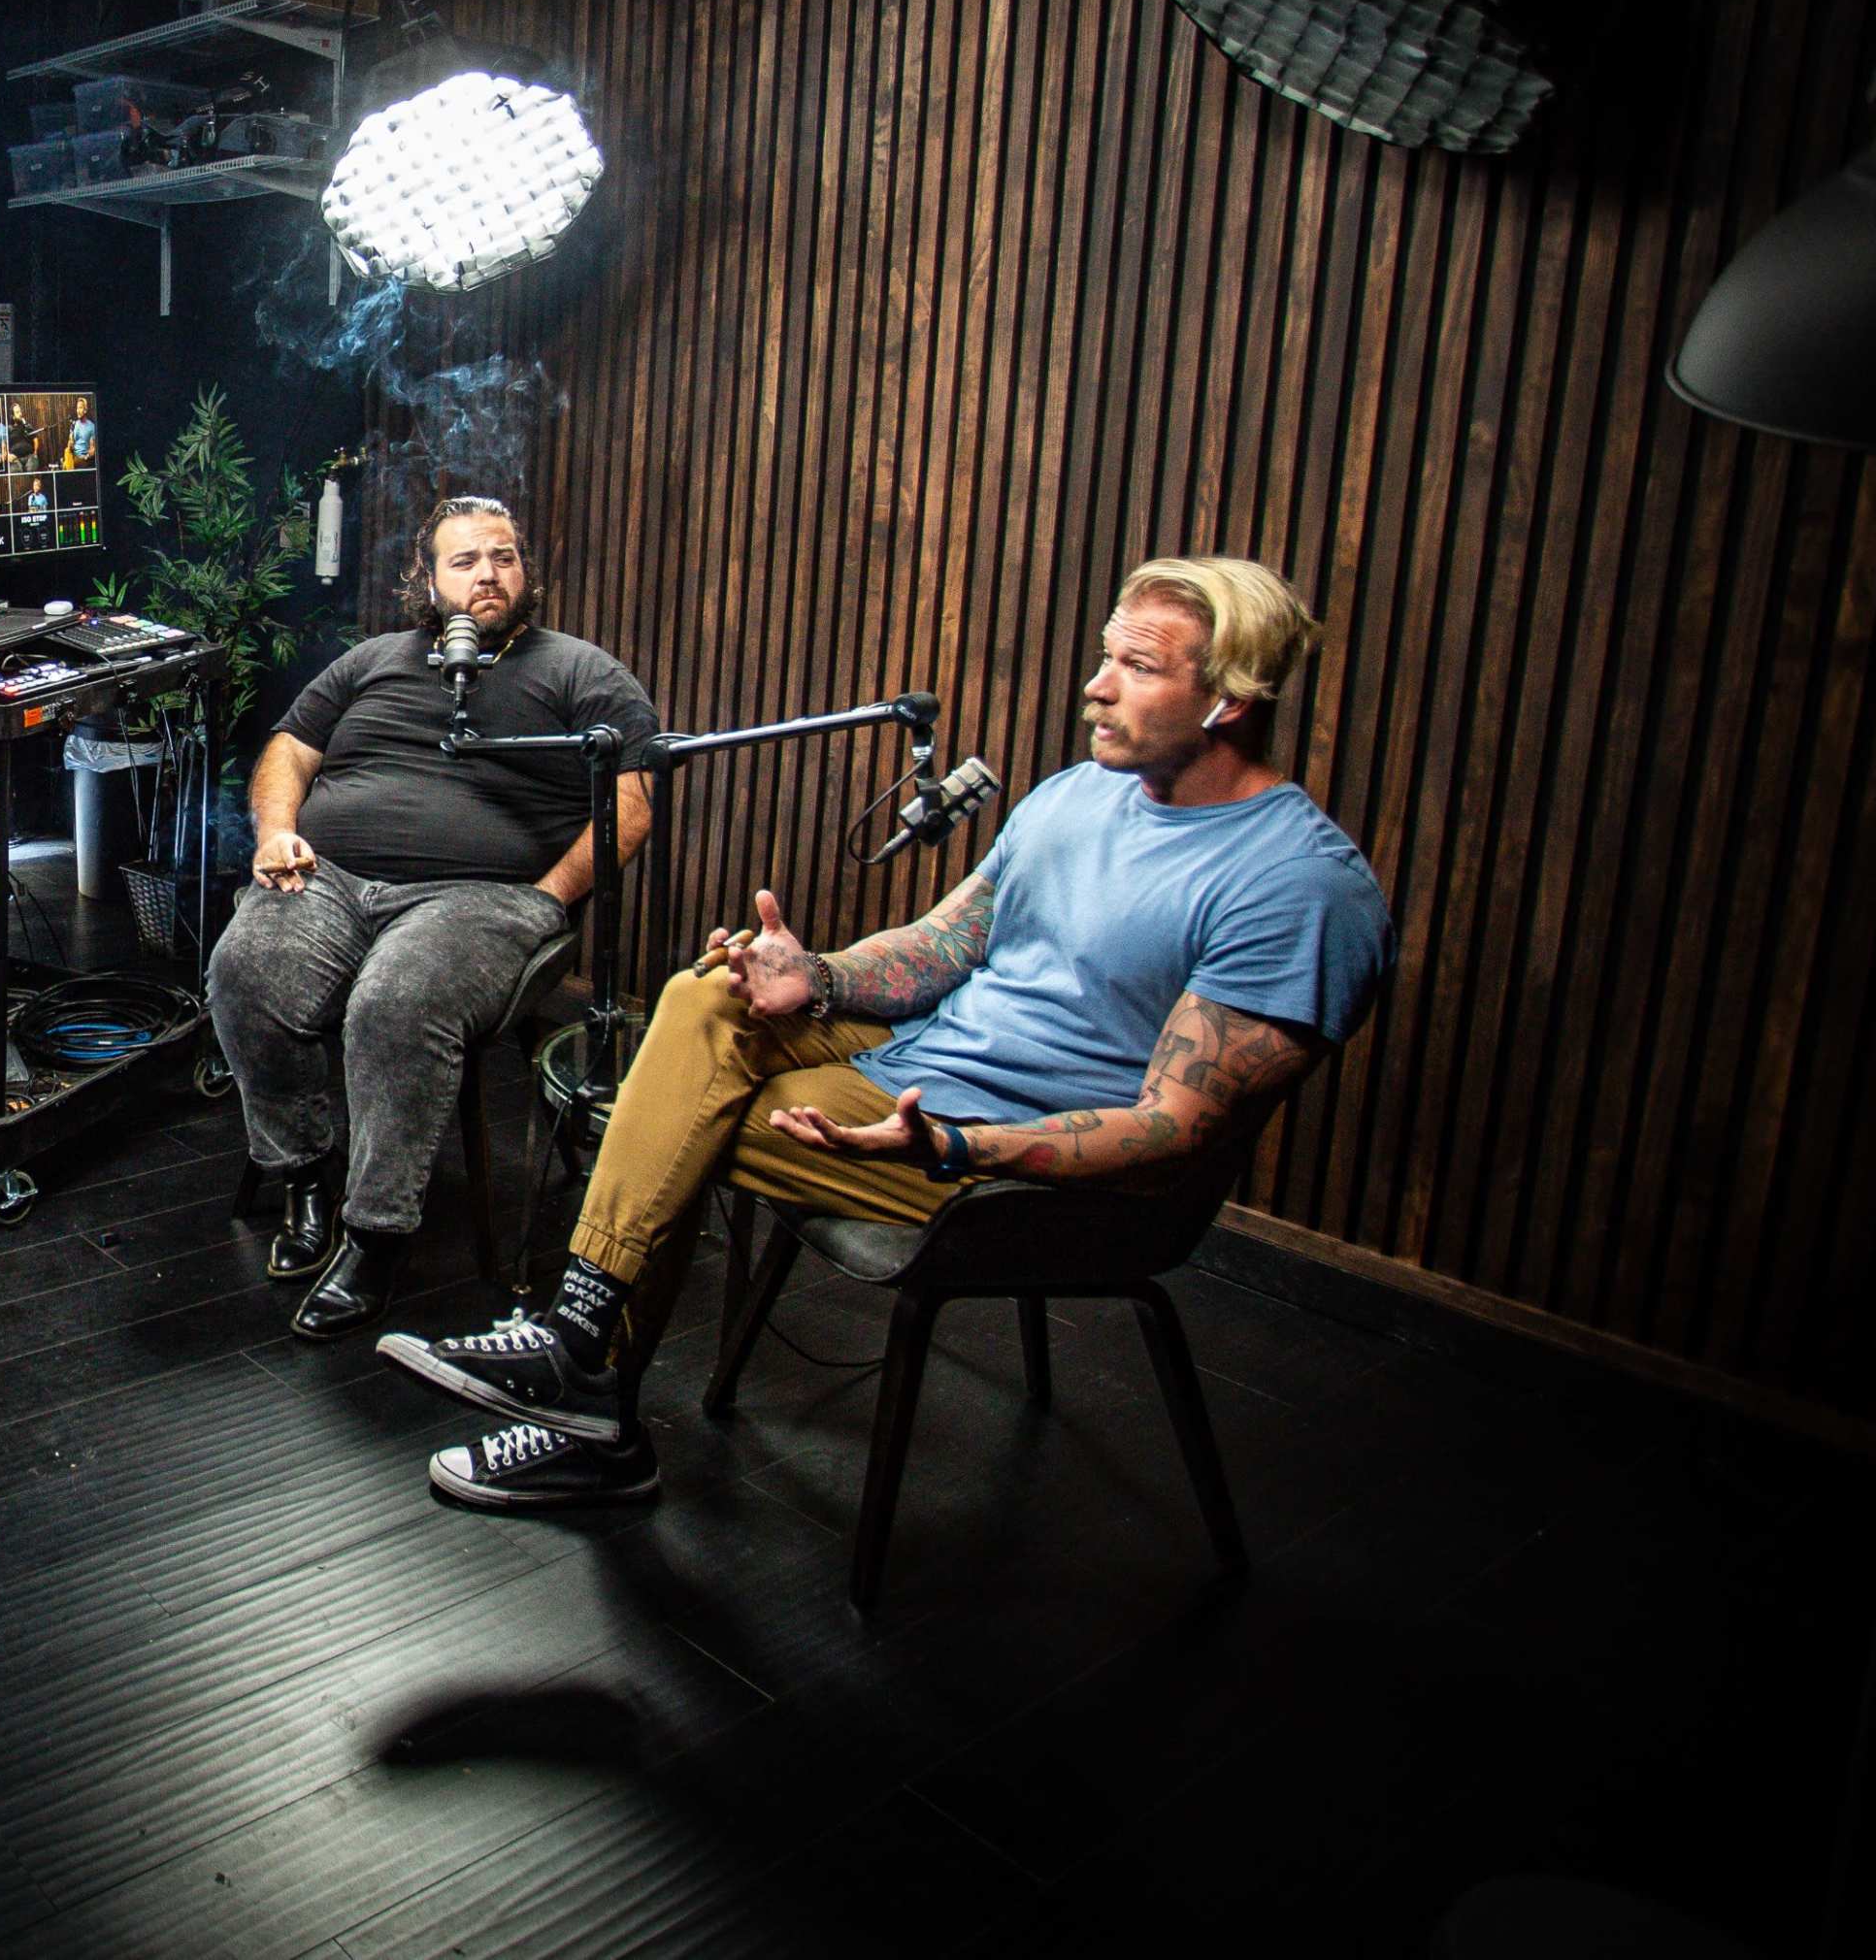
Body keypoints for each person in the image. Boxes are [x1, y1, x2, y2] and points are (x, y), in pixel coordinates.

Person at [379, 555, 1392, 1510]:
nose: (1096, 687)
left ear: (1230, 700)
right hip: (920, 1066)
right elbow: (946, 946)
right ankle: (581, 1350)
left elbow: (1175, 1132)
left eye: (1135, 667)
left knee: (677, 1117)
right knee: (705, 995)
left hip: (1010, 1162)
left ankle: (588, 1400)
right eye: (1103, 657)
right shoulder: (1081, 795)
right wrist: (815, 976)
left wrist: (951, 1146)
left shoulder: (1295, 885)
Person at [207, 496, 658, 1340]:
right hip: (330, 876)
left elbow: (632, 799)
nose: (489, 573)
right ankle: (304, 1171)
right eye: (466, 560)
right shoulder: (376, 658)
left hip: (480, 897)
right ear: (426, 579)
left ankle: (376, 1235)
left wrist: (550, 895)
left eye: (505, 557)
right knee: (243, 969)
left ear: (526, 573)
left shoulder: (579, 669)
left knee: (397, 1000)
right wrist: (277, 832)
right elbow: (289, 749)